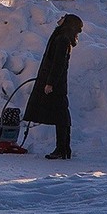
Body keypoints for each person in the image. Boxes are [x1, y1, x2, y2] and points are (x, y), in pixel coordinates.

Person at [23, 13, 84, 160]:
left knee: (61, 116)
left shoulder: (63, 40)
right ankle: (63, 149)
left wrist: (50, 83)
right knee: (60, 115)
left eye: (64, 17)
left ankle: (62, 149)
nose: (60, 18)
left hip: (55, 82)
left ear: (67, 23)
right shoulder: (61, 36)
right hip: (53, 80)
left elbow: (58, 64)